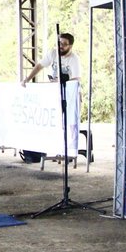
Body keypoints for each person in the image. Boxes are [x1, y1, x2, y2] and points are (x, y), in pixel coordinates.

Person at [21, 33, 81, 163]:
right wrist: (28, 79)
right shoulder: (53, 54)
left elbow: (77, 78)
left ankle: (69, 151)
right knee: (55, 122)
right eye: (60, 43)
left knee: (68, 123)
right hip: (54, 94)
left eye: (64, 44)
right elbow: (39, 66)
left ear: (70, 46)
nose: (61, 46)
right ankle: (56, 148)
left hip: (68, 96)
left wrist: (63, 82)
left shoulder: (74, 59)